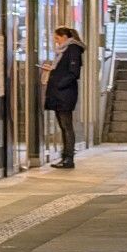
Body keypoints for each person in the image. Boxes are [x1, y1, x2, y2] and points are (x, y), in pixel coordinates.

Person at [43, 26, 85, 169]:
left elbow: (73, 72)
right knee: (63, 125)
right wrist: (53, 71)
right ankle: (65, 157)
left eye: (57, 38)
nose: (56, 41)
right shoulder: (63, 51)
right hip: (59, 92)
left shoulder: (73, 49)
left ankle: (68, 158)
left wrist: (60, 84)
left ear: (65, 37)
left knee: (66, 126)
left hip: (65, 93)